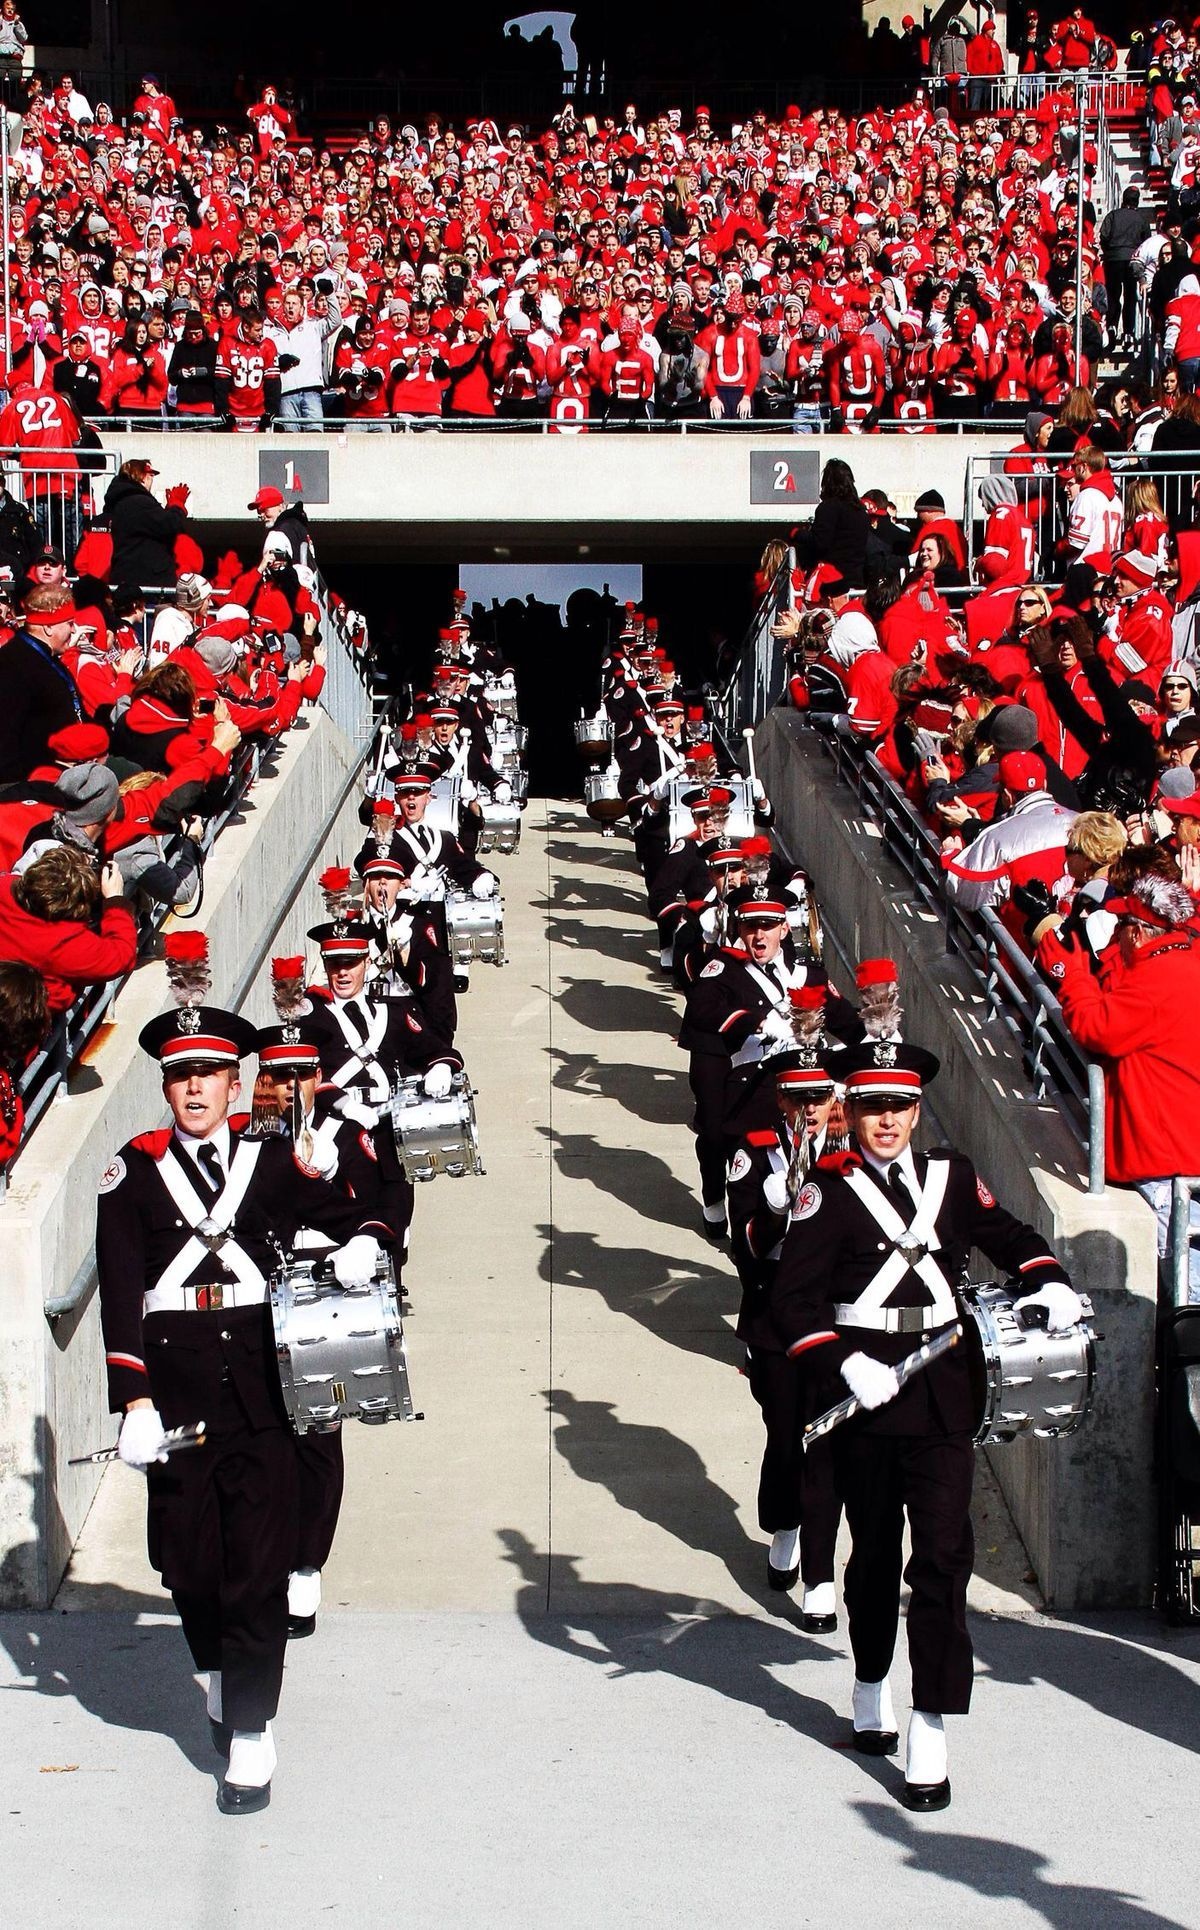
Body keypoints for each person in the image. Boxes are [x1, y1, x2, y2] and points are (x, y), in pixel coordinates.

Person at [96, 943, 394, 1814]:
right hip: (178, 1394)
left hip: (263, 1389)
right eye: (181, 1076)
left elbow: (356, 1204)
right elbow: (119, 1288)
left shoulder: (270, 1161)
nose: (195, 1089)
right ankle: (217, 1667)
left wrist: (366, 1239)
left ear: (237, 1084)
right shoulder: (133, 1173)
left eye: (212, 1075)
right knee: (187, 1564)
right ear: (167, 1087)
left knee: (258, 1568)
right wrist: (134, 1398)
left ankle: (255, 1731)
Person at [768, 1039, 1080, 1810]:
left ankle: (931, 1724)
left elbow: (1009, 1237)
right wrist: (843, 1364)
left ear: (916, 1110)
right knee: (874, 1556)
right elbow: (794, 1304)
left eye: (899, 1106)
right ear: (853, 1110)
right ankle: (871, 1680)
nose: (886, 1121)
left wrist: (1051, 1280)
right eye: (871, 1106)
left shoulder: (952, 1177)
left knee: (942, 1558)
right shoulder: (827, 1193)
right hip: (867, 1399)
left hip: (941, 1391)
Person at [1037, 868, 1200, 1291]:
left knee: (1190, 1296)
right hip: (1185, 1158)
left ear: (1138, 932)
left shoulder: (1157, 981)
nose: (1117, 932)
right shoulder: (1185, 960)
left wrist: (1073, 972)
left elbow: (1096, 1026)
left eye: (1123, 924)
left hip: (1172, 1166)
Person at [0, 586, 84, 780]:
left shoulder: (49, 659)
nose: (74, 630)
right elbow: (7, 735)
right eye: (70, 623)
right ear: (48, 627)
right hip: (30, 784)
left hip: (58, 772)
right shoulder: (12, 665)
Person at [105, 460, 190, 590]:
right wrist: (177, 506)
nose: (152, 478)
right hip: (147, 581)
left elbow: (153, 526)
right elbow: (170, 525)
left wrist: (168, 510)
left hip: (132, 577)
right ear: (141, 476)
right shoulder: (138, 501)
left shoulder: (123, 501)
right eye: (150, 474)